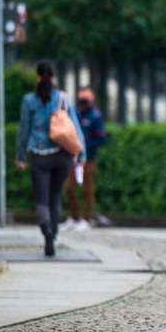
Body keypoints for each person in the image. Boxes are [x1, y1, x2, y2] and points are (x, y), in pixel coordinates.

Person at [15, 61, 85, 257]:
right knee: (55, 197)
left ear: (37, 76)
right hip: (62, 155)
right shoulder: (63, 98)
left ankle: (45, 228)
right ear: (53, 76)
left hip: (39, 156)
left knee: (41, 199)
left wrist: (20, 156)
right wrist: (82, 154)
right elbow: (75, 128)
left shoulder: (29, 100)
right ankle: (53, 235)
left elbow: (24, 131)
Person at [62, 86, 107, 232]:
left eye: (85, 99)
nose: (83, 101)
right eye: (81, 98)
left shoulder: (95, 116)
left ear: (92, 98)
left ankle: (86, 220)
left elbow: (101, 139)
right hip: (73, 158)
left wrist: (83, 145)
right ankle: (74, 218)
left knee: (87, 189)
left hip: (89, 159)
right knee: (69, 187)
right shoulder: (75, 114)